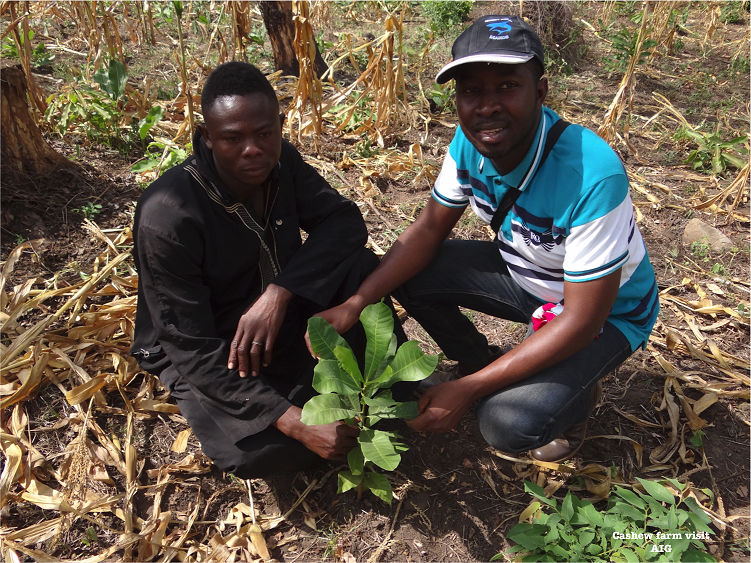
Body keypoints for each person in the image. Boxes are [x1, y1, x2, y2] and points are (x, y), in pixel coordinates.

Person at [312, 15, 659, 462]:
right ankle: (480, 361)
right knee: (409, 272)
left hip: (606, 313)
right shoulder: (468, 142)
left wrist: (469, 391)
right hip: (528, 276)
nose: (487, 106)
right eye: (471, 90)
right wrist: (356, 303)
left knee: (506, 423)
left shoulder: (591, 173)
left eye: (508, 86)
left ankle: (573, 401)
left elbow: (582, 320)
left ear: (541, 92)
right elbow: (429, 229)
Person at [130, 62, 397, 477]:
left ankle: (392, 391)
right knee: (259, 454)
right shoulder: (168, 215)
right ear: (207, 137)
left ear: (280, 125)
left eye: (264, 133)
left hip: (275, 310)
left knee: (361, 268)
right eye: (232, 139)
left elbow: (344, 223)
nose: (251, 149)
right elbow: (190, 345)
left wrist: (280, 292)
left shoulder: (279, 163)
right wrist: (291, 420)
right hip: (211, 340)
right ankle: (307, 406)